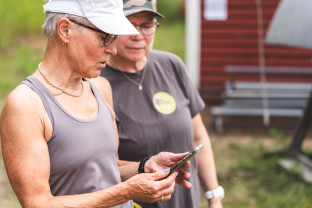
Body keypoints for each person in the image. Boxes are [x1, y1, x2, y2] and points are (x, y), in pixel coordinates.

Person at [0, 0, 192, 207]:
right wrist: (124, 193)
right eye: (105, 37)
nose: (113, 49)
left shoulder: (100, 87)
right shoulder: (26, 105)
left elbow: (108, 167)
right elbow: (37, 203)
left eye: (115, 38)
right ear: (65, 30)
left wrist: (145, 165)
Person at [100, 0, 224, 208]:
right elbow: (104, 167)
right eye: (128, 25)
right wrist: (145, 166)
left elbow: (199, 136)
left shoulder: (172, 65)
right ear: (109, 28)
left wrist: (214, 196)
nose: (137, 36)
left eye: (147, 26)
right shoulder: (98, 83)